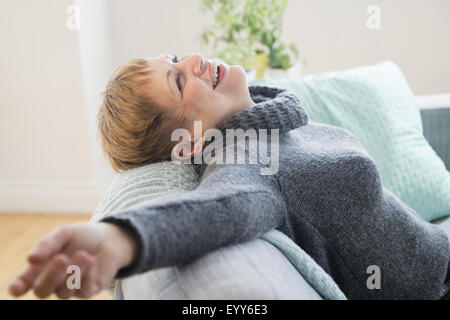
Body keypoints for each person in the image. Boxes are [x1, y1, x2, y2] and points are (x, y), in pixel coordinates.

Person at [9, 54, 450, 300]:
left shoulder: (272, 122)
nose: (196, 61)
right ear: (188, 143)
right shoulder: (248, 160)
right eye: (179, 82)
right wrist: (123, 239)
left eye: (178, 60)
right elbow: (223, 208)